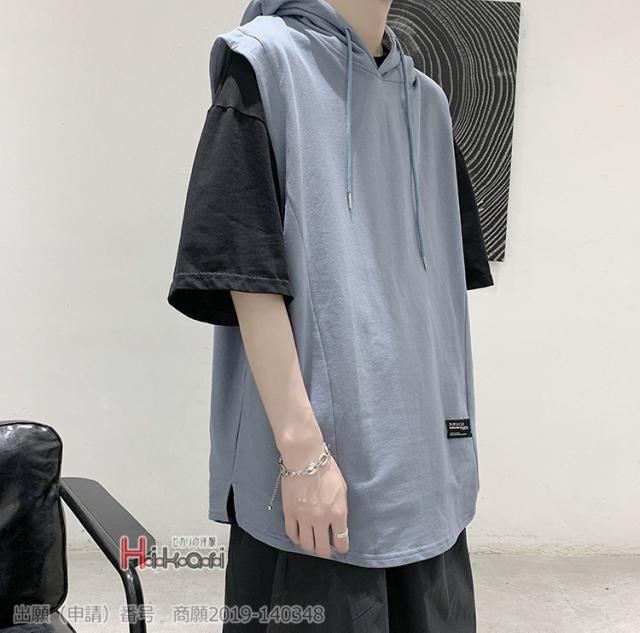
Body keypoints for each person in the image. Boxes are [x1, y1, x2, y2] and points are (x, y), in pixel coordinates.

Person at [168, 1, 493, 631]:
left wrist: (453, 452)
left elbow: (436, 306)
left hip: (427, 482)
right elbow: (246, 274)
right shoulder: (263, 62)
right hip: (316, 493)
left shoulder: (427, 104)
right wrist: (303, 456)